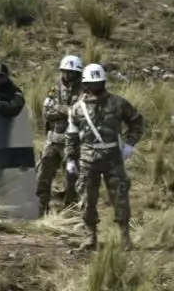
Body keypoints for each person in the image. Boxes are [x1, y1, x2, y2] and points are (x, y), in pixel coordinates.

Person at [64, 63, 144, 250]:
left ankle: (125, 239)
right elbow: (71, 135)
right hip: (87, 160)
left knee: (120, 198)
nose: (96, 86)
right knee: (87, 199)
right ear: (85, 84)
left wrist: (130, 144)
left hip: (113, 159)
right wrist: (70, 158)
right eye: (92, 83)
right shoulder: (77, 109)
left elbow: (136, 121)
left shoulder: (118, 103)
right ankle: (90, 238)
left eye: (99, 82)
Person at [39, 56, 85, 217]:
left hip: (72, 143)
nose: (68, 75)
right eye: (66, 71)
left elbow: (81, 114)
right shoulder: (55, 89)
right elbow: (46, 112)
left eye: (72, 72)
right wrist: (67, 110)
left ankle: (69, 216)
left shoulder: (84, 90)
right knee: (42, 178)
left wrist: (60, 109)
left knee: (72, 181)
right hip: (52, 140)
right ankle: (39, 213)